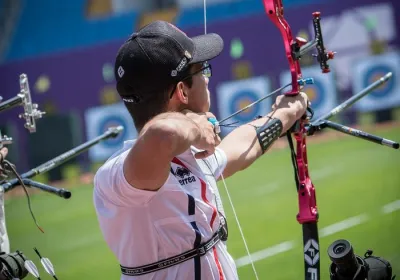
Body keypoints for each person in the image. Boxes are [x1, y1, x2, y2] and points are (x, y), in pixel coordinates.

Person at [93, 20, 308, 279]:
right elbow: (162, 135)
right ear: (182, 90)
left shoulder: (188, 156)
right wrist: (195, 125)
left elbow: (237, 150)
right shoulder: (117, 178)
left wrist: (284, 115)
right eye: (202, 70)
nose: (207, 79)